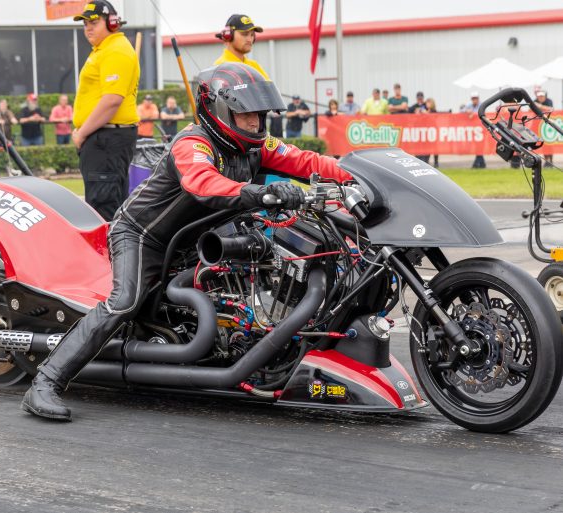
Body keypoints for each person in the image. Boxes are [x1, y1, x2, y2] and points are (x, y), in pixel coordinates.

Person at [21, 62, 352, 421]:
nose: (256, 123)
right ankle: (45, 383)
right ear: (219, 111)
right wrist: (259, 192)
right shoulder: (194, 143)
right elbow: (202, 183)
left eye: (259, 115)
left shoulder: (256, 145)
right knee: (124, 302)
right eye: (247, 116)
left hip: (190, 241)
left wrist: (357, 176)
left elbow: (306, 160)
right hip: (143, 236)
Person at [71, 0, 139, 221]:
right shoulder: (105, 50)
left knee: (102, 209)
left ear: (112, 23)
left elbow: (111, 100)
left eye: (94, 21)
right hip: (105, 138)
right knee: (106, 204)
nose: (88, 27)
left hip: (106, 138)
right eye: (85, 23)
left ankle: (106, 256)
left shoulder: (115, 50)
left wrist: (81, 133)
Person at [213, 14, 269, 80]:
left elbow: (269, 89)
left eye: (252, 35)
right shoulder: (221, 68)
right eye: (244, 34)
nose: (250, 39)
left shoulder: (254, 65)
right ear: (228, 35)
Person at [460, 91, 485, 168]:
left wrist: (473, 114)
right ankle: (481, 164)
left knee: (479, 146)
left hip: (480, 129)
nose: (475, 100)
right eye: (473, 98)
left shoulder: (481, 105)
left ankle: (477, 164)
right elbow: (461, 111)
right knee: (477, 146)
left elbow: (482, 113)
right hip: (473, 129)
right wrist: (467, 111)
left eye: (476, 98)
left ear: (478, 98)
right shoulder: (469, 105)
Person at [535, 90, 554, 167]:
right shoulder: (534, 101)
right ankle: (547, 161)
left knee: (549, 144)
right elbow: (530, 110)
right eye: (539, 96)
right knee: (543, 144)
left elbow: (551, 109)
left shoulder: (549, 101)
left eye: (542, 96)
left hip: (547, 126)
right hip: (538, 126)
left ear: (545, 96)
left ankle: (551, 161)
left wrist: (540, 106)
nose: (540, 97)